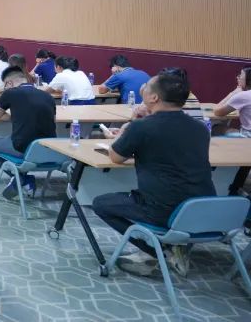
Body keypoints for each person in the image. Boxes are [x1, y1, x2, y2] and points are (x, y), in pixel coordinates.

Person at [94, 72, 214, 278]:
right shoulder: (200, 128)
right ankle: (176, 247)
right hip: (204, 208)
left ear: (154, 97)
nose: (143, 89)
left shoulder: (142, 127)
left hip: (163, 210)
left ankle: (160, 250)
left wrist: (125, 130)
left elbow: (115, 156)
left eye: (147, 86)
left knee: (100, 203)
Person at [0, 67, 57, 198]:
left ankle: (20, 178)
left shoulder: (10, 93)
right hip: (49, 150)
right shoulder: (47, 96)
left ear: (9, 83)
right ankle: (21, 178)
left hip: (23, 147)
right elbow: (53, 120)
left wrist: (15, 117)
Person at [215, 67, 251, 136]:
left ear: (248, 81)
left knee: (216, 128)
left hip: (247, 136)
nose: (237, 77)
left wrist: (233, 93)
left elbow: (217, 112)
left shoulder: (243, 95)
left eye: (241, 75)